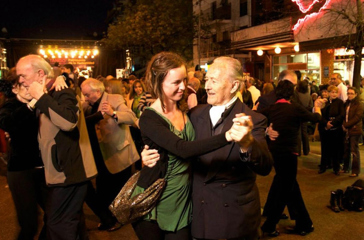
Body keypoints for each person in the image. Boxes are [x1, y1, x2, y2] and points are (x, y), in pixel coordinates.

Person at [141, 55, 273, 240]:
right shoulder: (194, 114)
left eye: (214, 81)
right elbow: (181, 146)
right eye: (207, 80)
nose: (207, 86)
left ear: (234, 86)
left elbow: (265, 167)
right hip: (197, 215)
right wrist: (150, 156)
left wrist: (247, 143)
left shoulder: (253, 119)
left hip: (233, 219)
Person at [16, 54, 98, 240]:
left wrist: (42, 96)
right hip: (61, 172)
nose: (20, 80)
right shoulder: (49, 93)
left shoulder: (62, 92)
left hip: (69, 172)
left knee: (58, 224)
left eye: (23, 75)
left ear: (39, 74)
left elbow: (69, 122)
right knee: (69, 223)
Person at [259, 80, 324, 237]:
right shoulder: (294, 108)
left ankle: (304, 223)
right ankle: (271, 225)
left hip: (275, 153)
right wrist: (318, 107)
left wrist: (266, 130)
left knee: (290, 187)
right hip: (289, 154)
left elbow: (256, 116)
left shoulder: (272, 108)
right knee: (286, 189)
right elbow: (315, 118)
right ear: (292, 92)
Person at [81, 78, 139, 230]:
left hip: (117, 153)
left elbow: (131, 118)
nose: (85, 98)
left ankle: (118, 219)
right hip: (99, 154)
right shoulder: (87, 105)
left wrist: (114, 113)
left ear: (97, 91)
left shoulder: (115, 99)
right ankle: (110, 217)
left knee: (118, 190)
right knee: (103, 189)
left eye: (87, 94)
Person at [0, 78, 47, 240]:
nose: (29, 89)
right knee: (29, 225)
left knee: (55, 216)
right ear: (15, 89)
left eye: (31, 86)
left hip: (42, 169)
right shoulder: (11, 106)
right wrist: (31, 103)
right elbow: (7, 122)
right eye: (25, 86)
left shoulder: (39, 104)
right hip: (21, 171)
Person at [318, 85, 345, 175]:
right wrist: (326, 124)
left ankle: (336, 168)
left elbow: (341, 115)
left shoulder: (340, 102)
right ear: (328, 93)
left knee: (336, 149)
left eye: (335, 92)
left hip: (336, 128)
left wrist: (332, 123)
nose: (334, 94)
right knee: (325, 148)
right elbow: (320, 115)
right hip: (325, 128)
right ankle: (323, 166)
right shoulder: (324, 102)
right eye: (332, 92)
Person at [342, 87, 363, 177]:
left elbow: (357, 117)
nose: (350, 95)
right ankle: (346, 168)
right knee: (346, 150)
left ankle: (355, 170)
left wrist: (346, 125)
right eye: (348, 93)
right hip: (347, 129)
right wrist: (343, 124)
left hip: (355, 129)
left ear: (356, 94)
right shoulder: (347, 103)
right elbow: (344, 115)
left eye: (351, 93)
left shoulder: (359, 104)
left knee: (354, 151)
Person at [296, 80, 313, 155]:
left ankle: (298, 150)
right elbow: (311, 106)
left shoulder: (296, 94)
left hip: (298, 114)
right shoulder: (308, 95)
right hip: (305, 115)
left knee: (298, 133)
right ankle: (306, 150)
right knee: (304, 132)